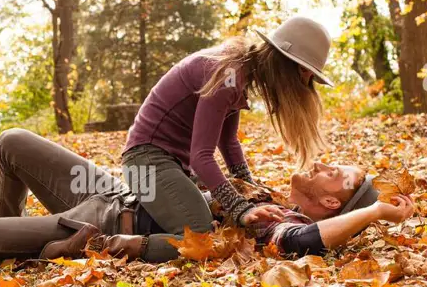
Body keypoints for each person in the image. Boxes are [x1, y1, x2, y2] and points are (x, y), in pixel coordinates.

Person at [0, 129, 414, 273]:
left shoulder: (279, 230)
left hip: (97, 225)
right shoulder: (256, 193)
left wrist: (379, 212)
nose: (326, 163)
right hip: (109, 188)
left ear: (333, 204)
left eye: (340, 174)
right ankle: (6, 235)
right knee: (11, 144)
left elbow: (309, 246)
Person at [121, 16, 337, 263]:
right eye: (304, 73)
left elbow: (228, 142)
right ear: (285, 63)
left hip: (168, 165)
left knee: (217, 229)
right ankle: (104, 243)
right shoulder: (228, 74)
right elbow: (201, 156)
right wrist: (241, 208)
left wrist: (251, 189)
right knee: (203, 240)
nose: (305, 83)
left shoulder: (241, 73)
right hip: (145, 161)